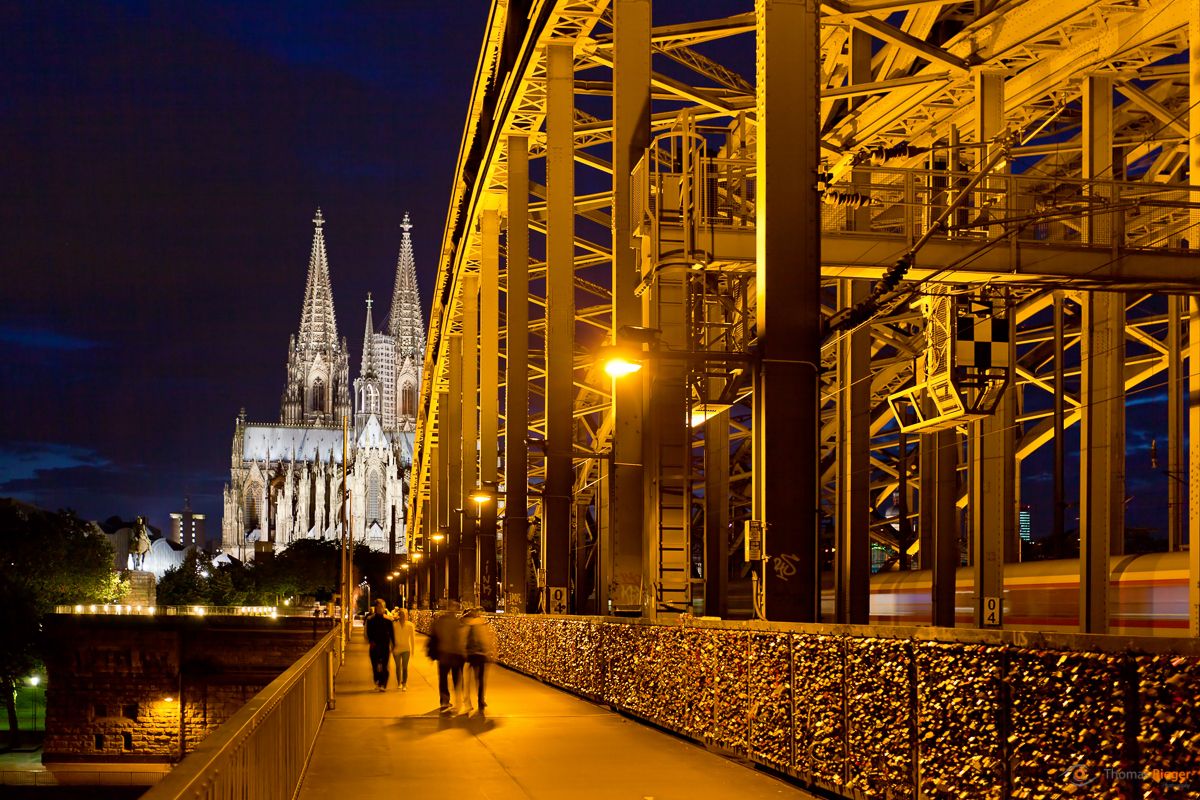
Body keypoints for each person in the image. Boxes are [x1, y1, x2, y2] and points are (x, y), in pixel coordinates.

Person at [429, 601, 466, 710]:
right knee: (456, 678)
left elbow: (433, 637)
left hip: (443, 654)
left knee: (443, 678)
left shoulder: (439, 622)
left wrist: (432, 652)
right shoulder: (458, 623)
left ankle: (444, 701)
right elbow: (461, 639)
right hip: (455, 654)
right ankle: (458, 699)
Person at [462, 607, 496, 713]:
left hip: (470, 655)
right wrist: (490, 651)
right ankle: (481, 700)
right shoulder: (482, 624)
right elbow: (486, 639)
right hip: (481, 655)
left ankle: (467, 702)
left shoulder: (467, 624)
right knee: (480, 679)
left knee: (467, 680)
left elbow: (462, 639)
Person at [364, 598, 394, 691]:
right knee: (375, 666)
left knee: (384, 666)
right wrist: (370, 641)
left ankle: (383, 684)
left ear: (384, 608)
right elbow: (368, 633)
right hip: (374, 646)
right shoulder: (370, 620)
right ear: (376, 608)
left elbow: (392, 633)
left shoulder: (388, 620)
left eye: (382, 607)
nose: (380, 608)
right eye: (378, 606)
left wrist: (393, 644)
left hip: (385, 646)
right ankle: (377, 681)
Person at [390, 607, 415, 691]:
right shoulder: (394, 625)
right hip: (396, 649)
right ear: (399, 615)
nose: (403, 616)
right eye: (402, 614)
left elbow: (412, 638)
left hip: (406, 649)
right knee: (398, 667)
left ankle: (404, 683)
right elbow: (391, 638)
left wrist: (413, 649)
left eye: (405, 614)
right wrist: (391, 647)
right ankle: (399, 683)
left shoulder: (410, 625)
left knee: (404, 667)